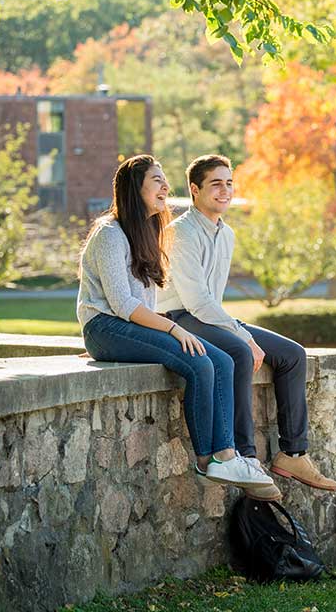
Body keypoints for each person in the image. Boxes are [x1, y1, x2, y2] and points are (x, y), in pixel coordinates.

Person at [77, 154, 274, 491]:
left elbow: (146, 301)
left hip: (131, 329)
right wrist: (170, 328)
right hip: (106, 327)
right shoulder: (108, 233)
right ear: (133, 189)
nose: (166, 186)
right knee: (198, 362)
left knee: (223, 361)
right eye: (157, 180)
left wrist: (149, 336)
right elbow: (122, 304)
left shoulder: (147, 232)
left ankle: (226, 454)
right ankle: (208, 460)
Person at [157, 154, 336, 502]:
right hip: (177, 318)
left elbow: (213, 303)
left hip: (208, 316)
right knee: (240, 351)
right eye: (215, 183)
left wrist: (237, 329)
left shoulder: (226, 235)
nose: (224, 190)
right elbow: (195, 302)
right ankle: (245, 455)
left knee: (291, 355)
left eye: (229, 182)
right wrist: (241, 335)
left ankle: (294, 454)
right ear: (194, 190)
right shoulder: (178, 234)